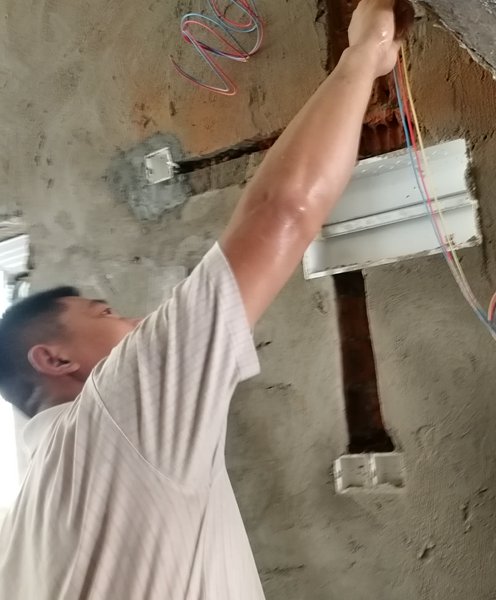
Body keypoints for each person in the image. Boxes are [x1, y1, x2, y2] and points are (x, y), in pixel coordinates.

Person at [0, 1, 412, 597]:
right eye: (104, 313)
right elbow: (281, 212)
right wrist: (365, 53)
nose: (134, 320)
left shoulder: (17, 539)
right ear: (53, 358)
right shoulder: (116, 411)